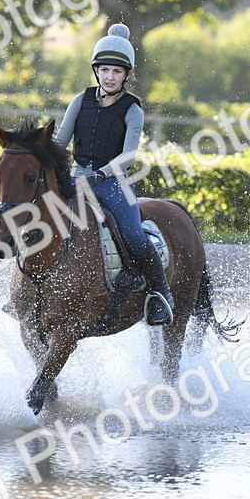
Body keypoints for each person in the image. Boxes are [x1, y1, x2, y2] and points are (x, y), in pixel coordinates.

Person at [53, 22, 173, 326]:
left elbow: (130, 154)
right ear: (96, 71)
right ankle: (25, 291)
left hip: (112, 182)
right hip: (75, 177)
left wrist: (102, 174)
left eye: (117, 72)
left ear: (126, 75)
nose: (110, 76)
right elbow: (60, 141)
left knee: (133, 231)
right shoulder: (80, 101)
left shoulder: (133, 110)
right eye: (105, 70)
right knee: (35, 217)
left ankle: (160, 293)